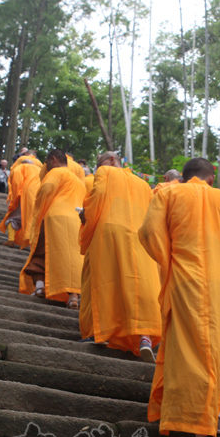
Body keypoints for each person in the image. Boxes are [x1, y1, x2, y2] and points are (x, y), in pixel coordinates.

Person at [139, 157, 220, 437]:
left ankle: (202, 432)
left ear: (185, 176)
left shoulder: (168, 193)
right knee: (216, 351)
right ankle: (211, 417)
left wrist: (170, 264)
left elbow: (150, 233)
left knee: (192, 352)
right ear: (211, 177)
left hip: (190, 278)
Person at [78, 151, 161, 362]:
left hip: (110, 231)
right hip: (139, 237)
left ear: (112, 161)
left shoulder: (106, 172)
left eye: (99, 163)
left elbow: (97, 196)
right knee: (140, 285)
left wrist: (85, 216)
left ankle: (101, 333)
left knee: (104, 280)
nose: (98, 168)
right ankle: (144, 337)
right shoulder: (143, 184)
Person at [19, 150, 86, 308]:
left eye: (47, 162)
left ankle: (40, 287)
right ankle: (74, 296)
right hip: (75, 221)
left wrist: (38, 208)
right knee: (70, 260)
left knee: (39, 252)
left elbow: (47, 189)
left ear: (54, 160)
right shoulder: (78, 181)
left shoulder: (57, 172)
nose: (46, 167)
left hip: (55, 217)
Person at [0, 155, 42, 248]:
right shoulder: (40, 170)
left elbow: (16, 182)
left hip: (26, 194)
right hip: (39, 196)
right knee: (34, 219)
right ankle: (35, 244)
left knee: (13, 217)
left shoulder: (20, 167)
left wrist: (15, 196)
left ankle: (11, 240)